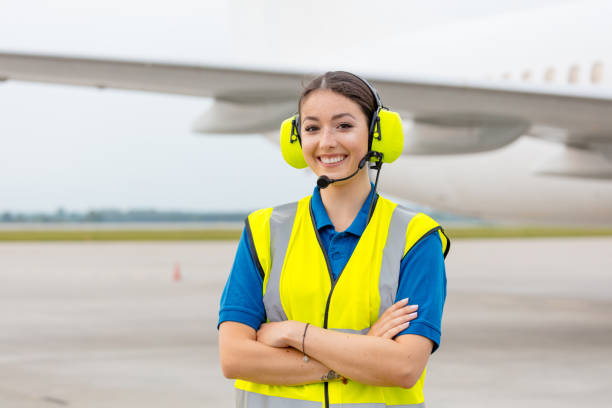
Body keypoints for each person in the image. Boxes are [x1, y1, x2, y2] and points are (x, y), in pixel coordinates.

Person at [218, 71, 450, 408]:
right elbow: (235, 358)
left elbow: (403, 367)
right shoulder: (264, 229)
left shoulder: (417, 236)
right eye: (312, 128)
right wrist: (363, 352)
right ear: (296, 140)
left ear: (377, 136)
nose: (326, 142)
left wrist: (294, 333)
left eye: (343, 126)